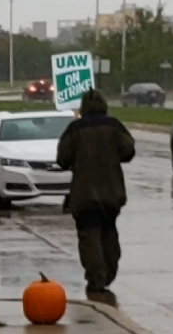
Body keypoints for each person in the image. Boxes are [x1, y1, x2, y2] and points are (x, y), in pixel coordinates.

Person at [56, 89, 137, 294]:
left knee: (89, 237)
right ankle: (109, 270)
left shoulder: (74, 129)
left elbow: (63, 158)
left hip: (84, 194)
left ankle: (96, 276)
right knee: (109, 231)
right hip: (112, 192)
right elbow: (128, 151)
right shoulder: (114, 126)